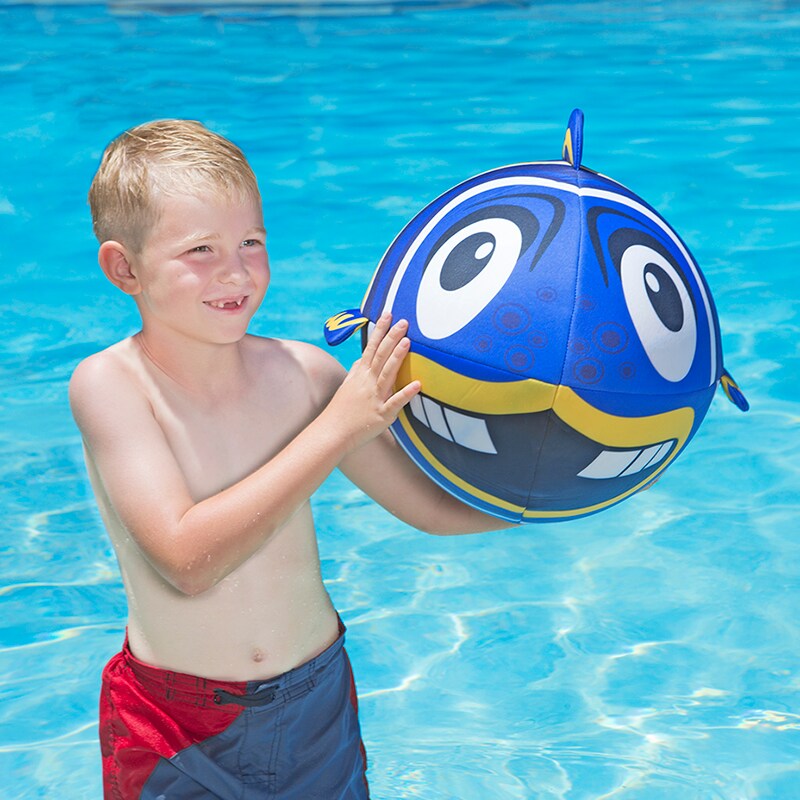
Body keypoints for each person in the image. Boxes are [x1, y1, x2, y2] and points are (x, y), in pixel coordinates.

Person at [70, 119, 511, 799]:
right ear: (124, 268)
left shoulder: (305, 376)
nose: (237, 271)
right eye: (201, 250)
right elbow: (187, 561)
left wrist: (567, 489)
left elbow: (432, 509)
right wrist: (336, 429)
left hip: (315, 705)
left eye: (251, 241)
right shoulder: (112, 387)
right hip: (178, 724)